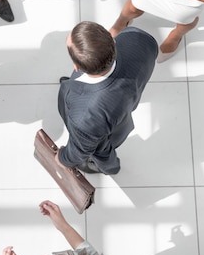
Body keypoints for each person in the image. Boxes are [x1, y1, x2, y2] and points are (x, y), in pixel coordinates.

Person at [55, 21, 157, 175]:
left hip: (104, 128)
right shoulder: (137, 38)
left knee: (101, 153)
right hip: (126, 97)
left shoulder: (85, 117)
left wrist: (62, 159)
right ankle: (73, 84)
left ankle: (108, 169)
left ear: (76, 67)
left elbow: (78, 150)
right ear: (113, 40)